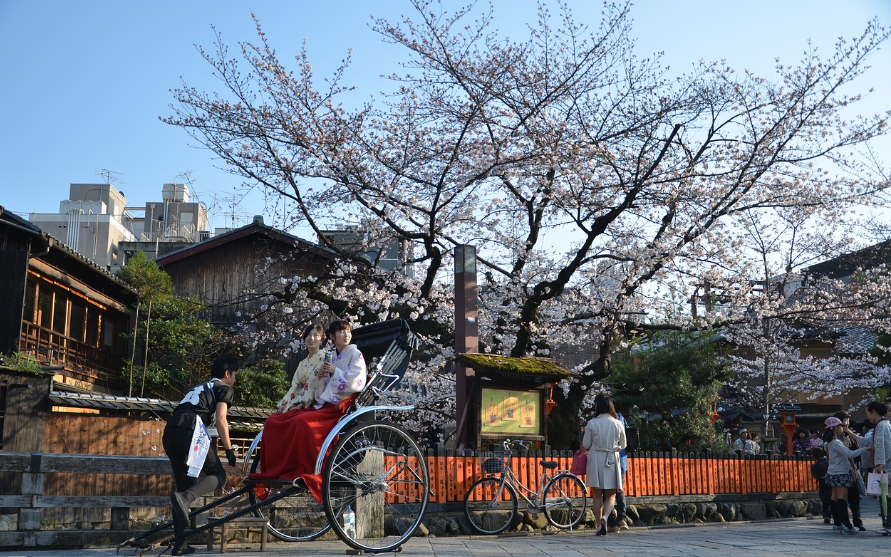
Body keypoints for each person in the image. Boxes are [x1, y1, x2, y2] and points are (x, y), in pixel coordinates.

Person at [250, 320, 367, 502]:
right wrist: (323, 378)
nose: (346, 335)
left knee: (303, 422)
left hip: (341, 405)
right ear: (332, 337)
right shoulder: (331, 357)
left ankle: (307, 468)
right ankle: (279, 468)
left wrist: (333, 373)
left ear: (322, 338)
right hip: (325, 402)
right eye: (342, 332)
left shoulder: (354, 354)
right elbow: (308, 386)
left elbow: (355, 382)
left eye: (348, 331)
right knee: (274, 421)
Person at [163, 354, 239, 556]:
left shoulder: (198, 387)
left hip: (170, 431)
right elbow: (222, 419)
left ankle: (180, 545)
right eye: (234, 375)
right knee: (219, 475)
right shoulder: (224, 388)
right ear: (227, 374)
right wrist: (229, 449)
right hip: (191, 430)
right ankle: (186, 498)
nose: (235, 380)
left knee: (183, 488)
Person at [582, 393, 627, 537]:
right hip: (611, 458)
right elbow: (624, 444)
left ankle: (598, 525)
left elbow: (586, 444)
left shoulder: (592, 423)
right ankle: (606, 517)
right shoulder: (617, 423)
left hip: (596, 458)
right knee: (611, 494)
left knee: (597, 494)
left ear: (598, 406)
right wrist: (615, 449)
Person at [822, 416, 872, 535]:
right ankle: (847, 525)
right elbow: (850, 453)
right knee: (842, 499)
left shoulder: (828, 443)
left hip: (832, 473)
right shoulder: (835, 443)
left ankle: (838, 524)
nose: (842, 428)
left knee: (834, 499)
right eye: (840, 426)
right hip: (841, 473)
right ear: (834, 428)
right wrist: (866, 449)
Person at [834, 410, 864, 530]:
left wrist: (850, 434)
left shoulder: (849, 435)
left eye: (847, 420)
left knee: (855, 496)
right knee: (841, 497)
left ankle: (857, 520)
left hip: (852, 469)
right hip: (841, 470)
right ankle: (840, 521)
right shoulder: (834, 438)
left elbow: (856, 451)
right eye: (844, 420)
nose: (846, 423)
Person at [607, 411, 629, 533]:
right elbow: (623, 442)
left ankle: (612, 522)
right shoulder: (620, 417)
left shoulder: (606, 419)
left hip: (609, 459)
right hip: (621, 458)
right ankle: (622, 518)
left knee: (608, 491)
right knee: (619, 489)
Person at [810, 447, 832, 525]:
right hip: (832, 482)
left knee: (825, 501)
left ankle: (826, 516)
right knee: (833, 499)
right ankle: (835, 515)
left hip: (822, 483)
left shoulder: (814, 466)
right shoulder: (829, 461)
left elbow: (816, 476)